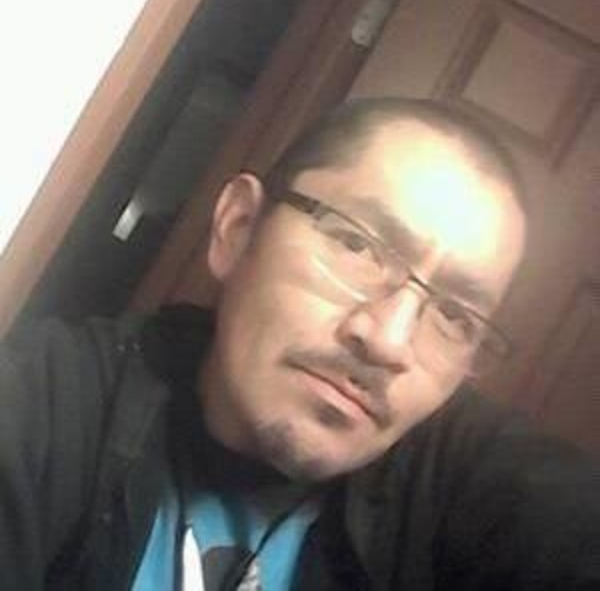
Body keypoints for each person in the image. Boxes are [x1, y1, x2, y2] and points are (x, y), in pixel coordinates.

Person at [0, 97, 598, 590]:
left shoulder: (456, 477)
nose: (390, 342)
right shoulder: (50, 404)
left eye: (453, 315)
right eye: (359, 246)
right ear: (238, 229)